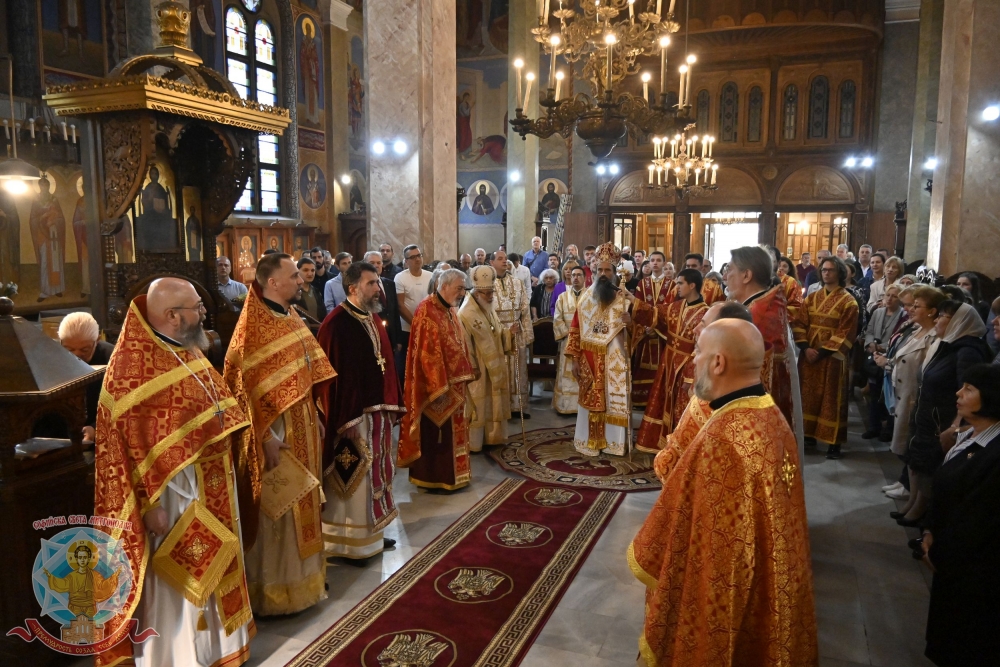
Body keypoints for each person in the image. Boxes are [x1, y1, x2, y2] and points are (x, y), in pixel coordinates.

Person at [628, 318, 817, 667]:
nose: (693, 360)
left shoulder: (723, 438)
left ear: (718, 362)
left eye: (699, 352)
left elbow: (708, 556)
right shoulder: (772, 417)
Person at [94, 278, 252, 667]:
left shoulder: (188, 350)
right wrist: (149, 507)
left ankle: (222, 646)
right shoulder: (131, 370)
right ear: (171, 315)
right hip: (174, 496)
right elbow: (126, 451)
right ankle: (176, 655)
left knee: (216, 563)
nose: (203, 313)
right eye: (197, 307)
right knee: (179, 578)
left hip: (212, 484)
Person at [223, 254, 336, 615]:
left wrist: (316, 415)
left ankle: (308, 579)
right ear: (273, 282)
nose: (301, 281)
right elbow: (242, 391)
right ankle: (276, 590)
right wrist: (265, 436)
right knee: (280, 507)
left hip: (302, 424)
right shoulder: (252, 326)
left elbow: (306, 373)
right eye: (293, 276)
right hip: (276, 433)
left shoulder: (290, 316)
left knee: (304, 500)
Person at [317, 262, 403, 563]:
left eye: (377, 282)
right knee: (354, 475)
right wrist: (346, 419)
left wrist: (391, 404)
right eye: (371, 283)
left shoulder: (371, 317)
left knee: (376, 473)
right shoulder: (337, 324)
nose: (378, 288)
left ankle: (373, 533)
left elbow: (385, 364)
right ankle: (348, 542)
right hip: (353, 418)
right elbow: (336, 378)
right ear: (353, 288)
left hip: (375, 413)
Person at [921, 364, 1000, 666]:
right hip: (952, 562)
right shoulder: (969, 437)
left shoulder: (994, 453)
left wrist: (940, 551)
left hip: (974, 572)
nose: (958, 392)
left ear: (991, 397)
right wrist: (929, 531)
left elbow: (977, 517)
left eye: (969, 389)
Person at [901, 301, 991, 526]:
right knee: (919, 459)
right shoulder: (948, 344)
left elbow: (966, 391)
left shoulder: (967, 351)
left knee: (931, 464)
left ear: (959, 321)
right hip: (929, 412)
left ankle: (923, 512)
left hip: (942, 418)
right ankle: (914, 502)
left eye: (943, 316)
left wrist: (957, 424)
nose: (938, 320)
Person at [398, 269, 476, 490]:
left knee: (456, 432)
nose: (462, 292)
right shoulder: (426, 310)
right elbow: (426, 353)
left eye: (463, 288)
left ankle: (458, 476)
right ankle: (437, 478)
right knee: (439, 435)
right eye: (459, 288)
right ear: (444, 286)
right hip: (436, 387)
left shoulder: (449, 308)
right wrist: (440, 383)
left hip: (455, 384)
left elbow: (457, 342)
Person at [725, 246, 801, 448]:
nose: (725, 276)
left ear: (747, 275)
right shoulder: (762, 304)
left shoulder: (755, 314)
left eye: (730, 269)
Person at [565, 243, 632, 456]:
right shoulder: (585, 298)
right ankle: (588, 440)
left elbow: (636, 335)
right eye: (600, 270)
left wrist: (629, 324)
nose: (603, 274)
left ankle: (613, 444)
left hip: (614, 358)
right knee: (589, 399)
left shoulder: (624, 300)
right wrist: (574, 359)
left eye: (608, 270)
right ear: (594, 271)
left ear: (614, 273)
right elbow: (575, 329)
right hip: (589, 359)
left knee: (612, 400)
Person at [631, 268, 708, 452]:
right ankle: (658, 442)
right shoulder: (676, 306)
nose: (677, 286)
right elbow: (653, 313)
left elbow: (703, 347)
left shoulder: (706, 313)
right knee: (661, 400)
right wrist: (631, 299)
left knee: (681, 406)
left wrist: (691, 376)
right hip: (668, 361)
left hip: (686, 366)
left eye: (680, 283)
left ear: (692, 285)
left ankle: (679, 447)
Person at [875, 286, 940, 502]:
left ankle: (910, 488)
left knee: (909, 442)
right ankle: (904, 480)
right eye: (909, 305)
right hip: (900, 390)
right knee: (904, 440)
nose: (909, 309)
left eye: (915, 305)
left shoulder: (932, 337)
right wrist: (889, 363)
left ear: (931, 310)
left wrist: (889, 363)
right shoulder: (915, 329)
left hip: (913, 394)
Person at [793, 256, 859, 459]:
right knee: (808, 396)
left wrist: (821, 352)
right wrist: (805, 348)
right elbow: (799, 323)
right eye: (824, 270)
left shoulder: (849, 302)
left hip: (832, 357)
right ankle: (809, 435)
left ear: (839, 272)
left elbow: (846, 332)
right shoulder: (811, 298)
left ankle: (833, 441)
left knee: (831, 398)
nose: (826, 273)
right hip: (809, 355)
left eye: (830, 270)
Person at [459, 265, 513, 452]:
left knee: (493, 403)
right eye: (487, 293)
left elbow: (495, 332)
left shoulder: (487, 308)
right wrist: (472, 366)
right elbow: (464, 345)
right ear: (476, 292)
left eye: (492, 292)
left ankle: (492, 437)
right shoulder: (465, 314)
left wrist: (508, 334)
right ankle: (475, 443)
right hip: (479, 369)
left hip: (494, 365)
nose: (491, 297)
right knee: (480, 404)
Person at [58, 312, 114, 444]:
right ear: (60, 342)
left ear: (97, 340)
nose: (77, 355)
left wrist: (95, 428)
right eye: (69, 349)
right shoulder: (52, 359)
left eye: (84, 350)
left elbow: (122, 405)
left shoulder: (114, 358)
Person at [630, 251, 675, 408]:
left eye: (658, 260)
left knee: (662, 367)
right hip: (645, 332)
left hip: (663, 334)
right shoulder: (642, 284)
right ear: (648, 264)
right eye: (652, 260)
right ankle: (642, 400)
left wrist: (657, 326)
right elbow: (637, 307)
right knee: (642, 367)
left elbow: (671, 309)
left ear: (663, 263)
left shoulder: (672, 285)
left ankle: (659, 401)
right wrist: (645, 326)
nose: (655, 263)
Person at [493, 250, 533, 418]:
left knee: (518, 368)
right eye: (500, 259)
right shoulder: (486, 284)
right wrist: (501, 331)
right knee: (501, 368)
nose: (505, 261)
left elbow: (525, 309)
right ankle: (501, 408)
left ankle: (517, 407)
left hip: (517, 332)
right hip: (497, 333)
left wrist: (528, 334)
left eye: (505, 258)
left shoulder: (517, 283)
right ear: (492, 263)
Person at [862, 283, 904, 440]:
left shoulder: (902, 316)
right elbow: (870, 331)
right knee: (874, 393)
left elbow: (899, 337)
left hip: (889, 357)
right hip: (874, 357)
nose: (890, 299)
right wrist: (870, 344)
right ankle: (874, 426)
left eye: (894, 296)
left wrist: (882, 347)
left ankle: (888, 429)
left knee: (888, 395)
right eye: (888, 295)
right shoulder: (878, 312)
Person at [394, 244, 432, 388]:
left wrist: (426, 324)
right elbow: (400, 305)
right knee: (406, 364)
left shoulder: (430, 275)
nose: (417, 259)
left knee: (425, 363)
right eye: (413, 257)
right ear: (406, 261)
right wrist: (416, 323)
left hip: (427, 328)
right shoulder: (401, 277)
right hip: (407, 329)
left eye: (419, 255)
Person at [552, 265, 585, 414]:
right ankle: (565, 405)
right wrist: (569, 335)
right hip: (567, 341)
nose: (576, 278)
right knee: (566, 373)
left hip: (585, 343)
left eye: (579, 275)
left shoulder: (590, 297)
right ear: (570, 278)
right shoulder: (562, 297)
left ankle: (583, 405)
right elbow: (557, 319)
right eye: (573, 275)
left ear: (584, 278)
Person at [293, 256, 326, 323]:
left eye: (312, 270)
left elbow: (323, 314)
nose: (310, 273)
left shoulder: (316, 291)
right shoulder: (293, 291)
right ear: (298, 270)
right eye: (305, 270)